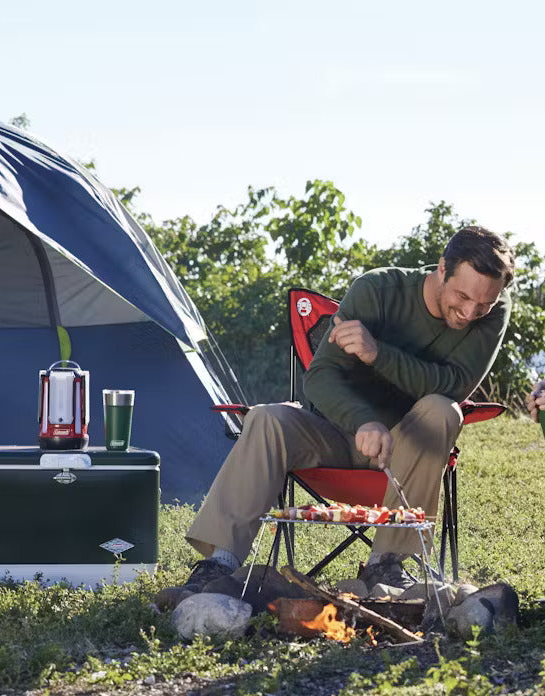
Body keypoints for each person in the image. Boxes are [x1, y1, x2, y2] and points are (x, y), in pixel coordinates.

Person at [181, 226, 515, 591]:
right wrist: (363, 421)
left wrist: (377, 354)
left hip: (410, 451)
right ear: (441, 268)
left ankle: (386, 565)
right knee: (266, 418)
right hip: (335, 435)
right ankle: (220, 562)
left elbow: (453, 385)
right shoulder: (377, 290)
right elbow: (321, 376)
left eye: (483, 304)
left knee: (443, 410)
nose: (470, 312)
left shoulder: (494, 311)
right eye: (462, 296)